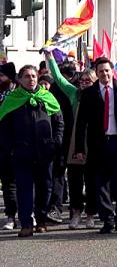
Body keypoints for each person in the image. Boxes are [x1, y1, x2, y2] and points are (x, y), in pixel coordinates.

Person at [75, 57, 117, 234]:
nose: (104, 74)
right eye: (101, 71)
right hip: (99, 144)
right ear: (96, 74)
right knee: (101, 184)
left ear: (112, 71)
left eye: (107, 70)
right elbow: (81, 123)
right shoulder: (89, 93)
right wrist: (79, 149)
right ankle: (107, 219)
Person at [0, 65, 64, 237]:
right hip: (22, 152)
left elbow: (59, 122)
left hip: (45, 152)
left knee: (45, 188)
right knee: (24, 189)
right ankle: (26, 223)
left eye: (34, 76)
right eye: (27, 76)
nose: (31, 79)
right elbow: (4, 129)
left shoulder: (47, 97)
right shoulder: (12, 99)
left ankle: (41, 220)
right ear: (20, 79)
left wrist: (55, 143)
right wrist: (11, 149)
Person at [45, 51, 98, 229]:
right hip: (76, 142)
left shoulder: (101, 96)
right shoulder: (74, 93)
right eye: (82, 81)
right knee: (75, 179)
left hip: (94, 142)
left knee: (91, 180)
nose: (84, 84)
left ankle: (91, 214)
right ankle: (75, 213)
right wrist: (50, 57)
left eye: (88, 81)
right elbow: (59, 78)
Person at [0, 62, 18, 230]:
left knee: (26, 182)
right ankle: (11, 215)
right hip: (3, 146)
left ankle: (29, 213)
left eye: (1, 76)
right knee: (8, 183)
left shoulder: (20, 94)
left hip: (20, 145)